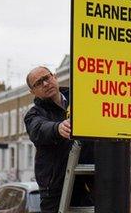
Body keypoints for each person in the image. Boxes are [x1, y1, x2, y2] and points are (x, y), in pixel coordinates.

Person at [24, 66, 93, 213]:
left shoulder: (79, 99)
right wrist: (57, 128)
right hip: (55, 188)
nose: (45, 84)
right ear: (32, 92)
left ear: (54, 76)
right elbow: (38, 128)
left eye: (46, 78)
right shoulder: (34, 114)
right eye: (38, 83)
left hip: (86, 180)